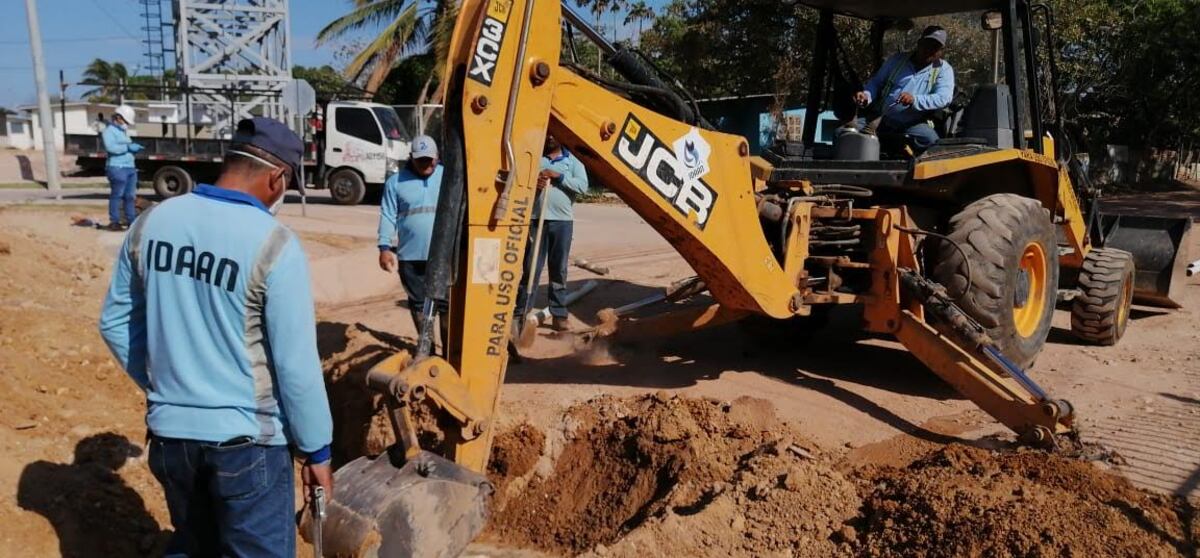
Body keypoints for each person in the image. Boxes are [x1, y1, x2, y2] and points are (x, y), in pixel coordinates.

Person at [98, 117, 333, 558]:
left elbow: (115, 323)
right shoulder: (274, 243)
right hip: (248, 447)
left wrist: (169, 389)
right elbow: (295, 364)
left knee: (193, 546)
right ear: (277, 177)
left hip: (171, 439)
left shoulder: (153, 222)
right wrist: (316, 450)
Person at [515, 133, 590, 332]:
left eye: (553, 134)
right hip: (536, 221)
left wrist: (560, 176)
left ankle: (558, 314)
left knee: (558, 270)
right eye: (546, 133)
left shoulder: (573, 162)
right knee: (531, 269)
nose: (549, 137)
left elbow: (583, 187)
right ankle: (520, 313)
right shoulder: (534, 159)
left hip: (562, 223)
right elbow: (519, 184)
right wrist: (535, 186)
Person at [377, 134, 448, 343]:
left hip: (443, 254)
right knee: (418, 303)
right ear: (411, 157)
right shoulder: (395, 182)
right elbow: (388, 215)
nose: (426, 164)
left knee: (446, 304)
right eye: (421, 160)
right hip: (410, 255)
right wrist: (384, 247)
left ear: (437, 157)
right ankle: (427, 347)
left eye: (429, 159)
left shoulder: (448, 177)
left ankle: (450, 351)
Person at [851, 25, 955, 152]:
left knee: (932, 143)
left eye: (935, 47)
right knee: (846, 133)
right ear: (919, 43)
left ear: (941, 51)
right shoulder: (897, 60)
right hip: (881, 118)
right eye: (927, 44)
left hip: (912, 123)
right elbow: (876, 82)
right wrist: (866, 95)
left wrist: (914, 100)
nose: (929, 50)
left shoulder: (943, 69)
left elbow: (944, 98)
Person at [101, 105, 143, 231]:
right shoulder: (108, 131)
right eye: (126, 121)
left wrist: (134, 149)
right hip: (117, 167)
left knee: (130, 196)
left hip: (130, 167)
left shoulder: (123, 132)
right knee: (117, 195)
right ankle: (114, 222)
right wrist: (128, 147)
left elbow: (126, 147)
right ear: (118, 118)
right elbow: (111, 148)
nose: (127, 124)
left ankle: (132, 221)